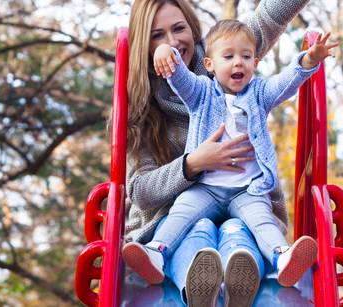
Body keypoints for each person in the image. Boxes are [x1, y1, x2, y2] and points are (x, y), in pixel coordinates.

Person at [122, 0, 311, 306]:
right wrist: (193, 163)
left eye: (178, 28)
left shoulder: (228, 51)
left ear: (193, 29)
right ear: (145, 44)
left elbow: (271, 14)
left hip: (243, 202)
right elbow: (140, 192)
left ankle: (245, 279)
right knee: (198, 229)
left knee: (240, 230)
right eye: (158, 35)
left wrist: (306, 63)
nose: (172, 42)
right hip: (176, 217)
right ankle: (197, 288)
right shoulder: (145, 104)